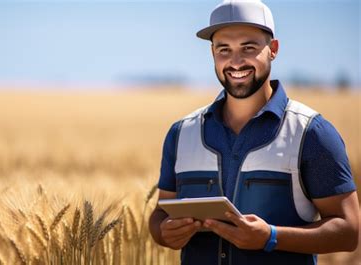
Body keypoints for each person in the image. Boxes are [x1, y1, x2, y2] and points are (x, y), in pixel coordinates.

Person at [148, 1, 359, 264]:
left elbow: (349, 232)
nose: (235, 62)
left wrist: (271, 237)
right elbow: (159, 215)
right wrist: (165, 232)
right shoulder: (182, 133)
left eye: (248, 47)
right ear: (212, 53)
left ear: (273, 50)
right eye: (224, 49)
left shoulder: (312, 133)